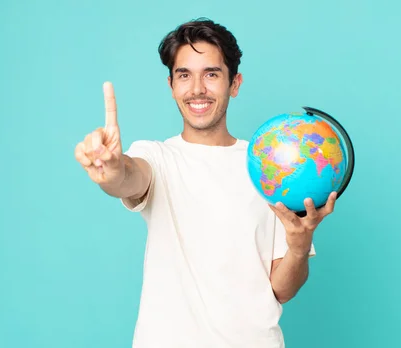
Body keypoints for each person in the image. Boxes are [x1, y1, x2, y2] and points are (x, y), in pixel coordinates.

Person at [74, 17, 337, 348]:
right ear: (171, 85)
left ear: (234, 83)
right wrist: (111, 169)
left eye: (211, 74)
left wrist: (299, 246)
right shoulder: (157, 157)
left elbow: (282, 290)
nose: (197, 89)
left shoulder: (269, 170)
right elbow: (127, 177)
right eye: (184, 75)